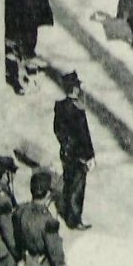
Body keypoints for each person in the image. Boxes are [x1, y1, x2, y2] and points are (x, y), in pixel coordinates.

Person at [53, 73, 95, 230]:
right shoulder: (77, 110)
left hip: (66, 152)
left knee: (68, 182)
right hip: (78, 154)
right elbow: (84, 135)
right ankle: (74, 219)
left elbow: (58, 130)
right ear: (74, 89)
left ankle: (67, 212)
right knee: (77, 187)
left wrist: (65, 145)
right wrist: (89, 154)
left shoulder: (60, 107)